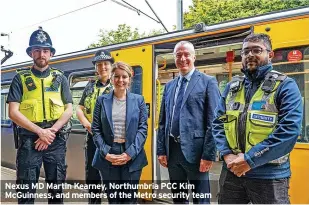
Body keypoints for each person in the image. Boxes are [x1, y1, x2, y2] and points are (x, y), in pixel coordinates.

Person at [213, 33, 303, 204]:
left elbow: (289, 131)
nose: (250, 55)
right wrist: (227, 155)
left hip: (269, 175)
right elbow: (218, 122)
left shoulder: (285, 86)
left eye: (257, 50)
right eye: (246, 51)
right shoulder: (232, 87)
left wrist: (250, 159)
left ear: (270, 54)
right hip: (232, 172)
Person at [7, 27, 73, 204]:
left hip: (55, 140)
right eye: (37, 50)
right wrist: (40, 132)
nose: (41, 54)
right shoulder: (20, 79)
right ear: (31, 54)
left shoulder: (61, 79)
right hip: (29, 141)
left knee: (56, 190)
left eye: (45, 50)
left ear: (50, 54)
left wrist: (50, 132)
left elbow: (69, 109)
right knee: (26, 191)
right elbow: (13, 112)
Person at [157, 41, 220, 204]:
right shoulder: (169, 86)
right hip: (173, 151)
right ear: (174, 58)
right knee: (179, 198)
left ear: (194, 57)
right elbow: (163, 121)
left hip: (197, 152)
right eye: (178, 55)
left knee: (201, 199)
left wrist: (209, 154)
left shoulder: (208, 82)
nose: (182, 58)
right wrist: (161, 150)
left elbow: (214, 121)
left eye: (186, 54)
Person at [91, 61, 148, 204]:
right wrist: (106, 152)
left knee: (129, 199)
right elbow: (96, 129)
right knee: (113, 199)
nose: (120, 80)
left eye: (124, 77)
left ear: (130, 79)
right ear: (111, 78)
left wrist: (130, 153)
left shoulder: (139, 100)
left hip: (132, 154)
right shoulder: (101, 101)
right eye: (116, 76)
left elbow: (142, 129)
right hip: (109, 153)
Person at [76, 49, 114, 204]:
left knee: (112, 177)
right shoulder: (90, 86)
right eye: (99, 64)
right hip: (92, 138)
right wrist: (86, 123)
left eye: (106, 63)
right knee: (92, 175)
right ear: (96, 67)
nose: (102, 67)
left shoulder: (117, 85)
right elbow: (79, 108)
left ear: (111, 66)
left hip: (111, 139)